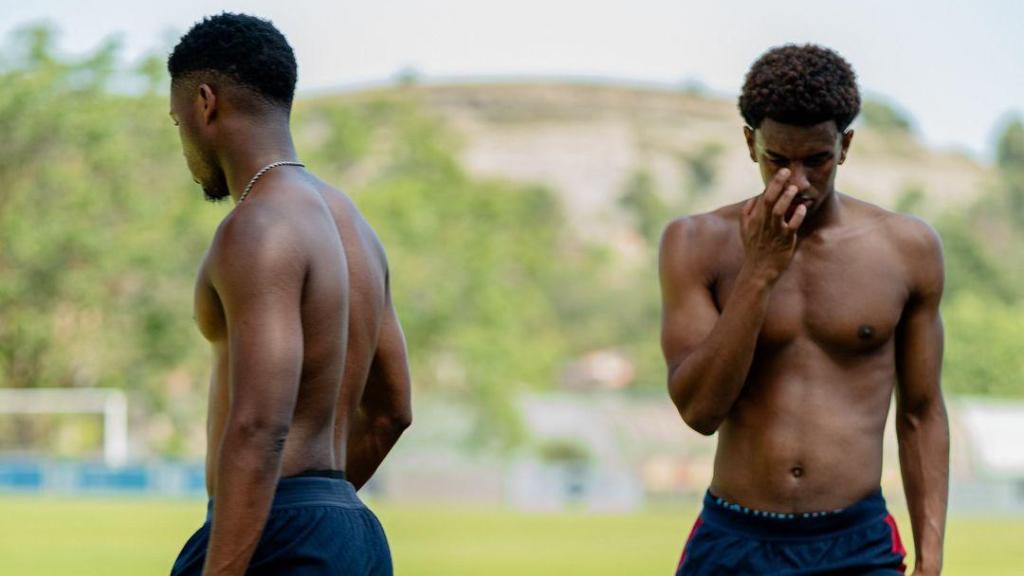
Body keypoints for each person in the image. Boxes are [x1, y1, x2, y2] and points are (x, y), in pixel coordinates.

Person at [660, 44, 948, 575]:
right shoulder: (695, 243)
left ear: (845, 146)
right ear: (750, 143)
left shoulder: (907, 248)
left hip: (857, 544)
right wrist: (759, 272)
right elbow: (700, 413)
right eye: (778, 159)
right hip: (735, 540)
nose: (797, 181)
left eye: (816, 160)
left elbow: (921, 412)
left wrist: (930, 560)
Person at [166, 13, 411, 576]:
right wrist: (323, 518)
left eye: (178, 123)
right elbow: (391, 412)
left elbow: (259, 425)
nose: (183, 144)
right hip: (350, 534)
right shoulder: (355, 226)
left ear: (205, 103)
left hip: (279, 536)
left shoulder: (258, 226)